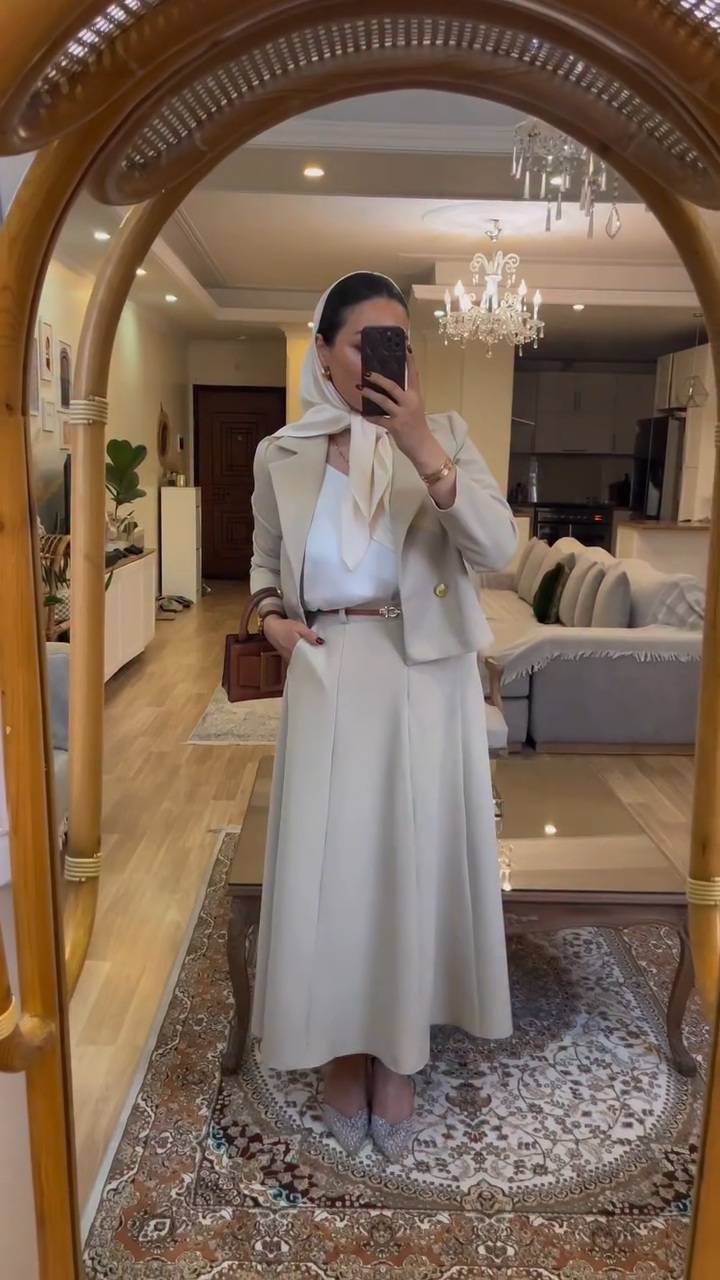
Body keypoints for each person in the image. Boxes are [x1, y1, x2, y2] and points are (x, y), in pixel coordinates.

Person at [249, 271, 516, 1161]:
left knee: (409, 864)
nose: (381, 359)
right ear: (324, 351)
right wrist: (271, 621)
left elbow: (498, 548)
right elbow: (263, 563)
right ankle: (340, 1046)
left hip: (425, 675)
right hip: (328, 671)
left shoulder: (446, 437)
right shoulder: (281, 452)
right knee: (337, 873)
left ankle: (399, 1055)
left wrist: (422, 448)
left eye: (397, 341)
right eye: (366, 341)